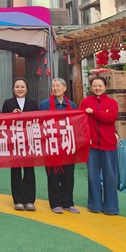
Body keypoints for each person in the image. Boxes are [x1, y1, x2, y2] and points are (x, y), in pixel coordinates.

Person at [39, 78, 80, 214]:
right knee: (53, 175)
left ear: (64, 88)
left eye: (58, 86)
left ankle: (68, 203)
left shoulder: (72, 105)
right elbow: (40, 124)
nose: (55, 88)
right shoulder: (44, 104)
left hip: (68, 144)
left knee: (68, 175)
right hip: (51, 144)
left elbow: (76, 124)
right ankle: (55, 203)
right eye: (53, 86)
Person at [81, 76, 120, 215]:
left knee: (110, 176)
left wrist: (94, 112)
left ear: (105, 87)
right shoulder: (85, 101)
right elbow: (80, 120)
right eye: (94, 85)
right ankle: (94, 205)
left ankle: (111, 207)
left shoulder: (112, 102)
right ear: (91, 87)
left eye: (100, 85)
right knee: (93, 175)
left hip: (108, 144)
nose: (97, 88)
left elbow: (111, 118)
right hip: (91, 145)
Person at [1, 77, 40, 211]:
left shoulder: (33, 103)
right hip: (14, 141)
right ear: (13, 89)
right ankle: (18, 200)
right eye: (17, 87)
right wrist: (11, 115)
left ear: (27, 89)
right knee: (15, 171)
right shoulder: (8, 103)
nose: (20, 89)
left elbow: (38, 121)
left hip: (29, 141)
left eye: (22, 87)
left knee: (29, 171)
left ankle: (29, 200)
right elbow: (2, 122)